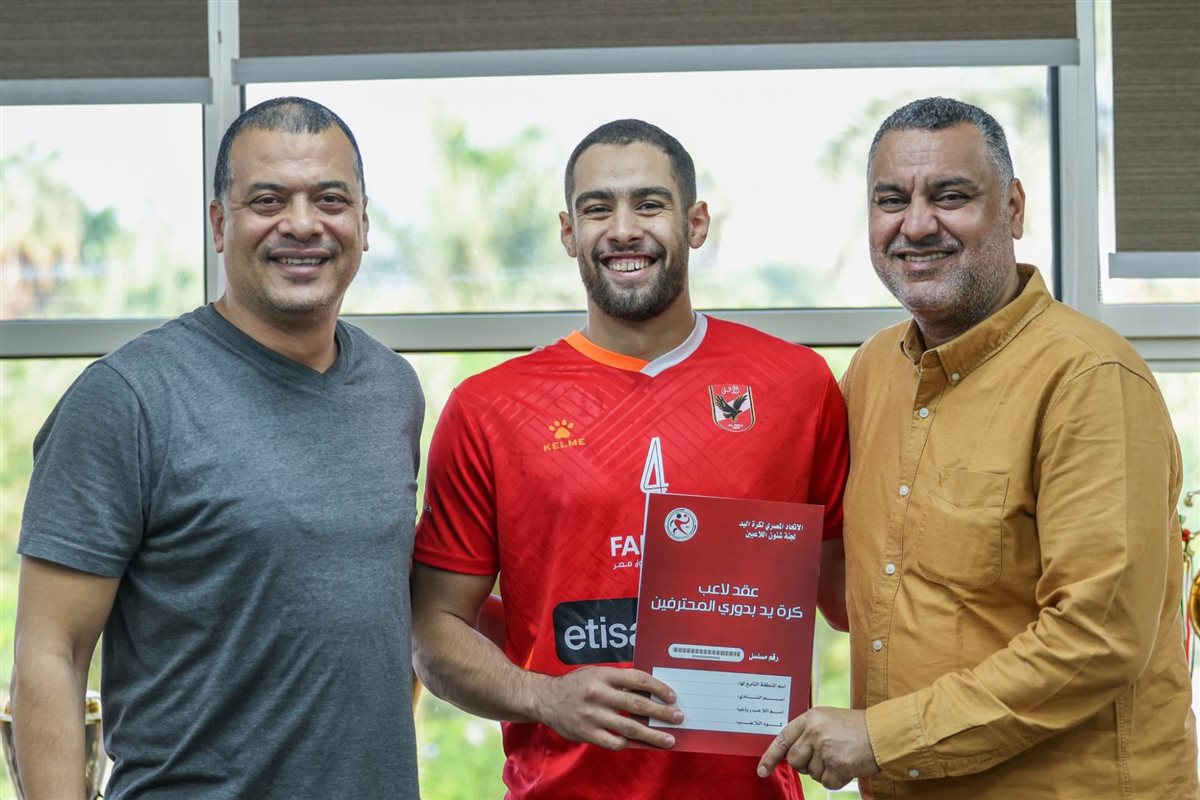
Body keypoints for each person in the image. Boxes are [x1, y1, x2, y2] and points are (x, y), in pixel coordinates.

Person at [758, 97, 1199, 798]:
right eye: (891, 200)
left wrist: (881, 737)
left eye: (950, 196)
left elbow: (1098, 638)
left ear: (1014, 208)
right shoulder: (873, 372)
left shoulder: (1089, 379)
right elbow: (850, 595)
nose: (916, 225)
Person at [411, 118, 850, 799]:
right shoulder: (489, 407)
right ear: (568, 233)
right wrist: (544, 696)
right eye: (597, 209)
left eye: (649, 204)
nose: (622, 229)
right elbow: (432, 632)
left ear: (695, 223)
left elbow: (855, 602)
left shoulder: (796, 386)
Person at [11, 97, 424, 799]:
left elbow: (376, 621)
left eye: (330, 199)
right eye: (268, 200)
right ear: (218, 224)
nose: (302, 223)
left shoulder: (392, 388)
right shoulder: (127, 398)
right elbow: (51, 653)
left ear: (363, 222)